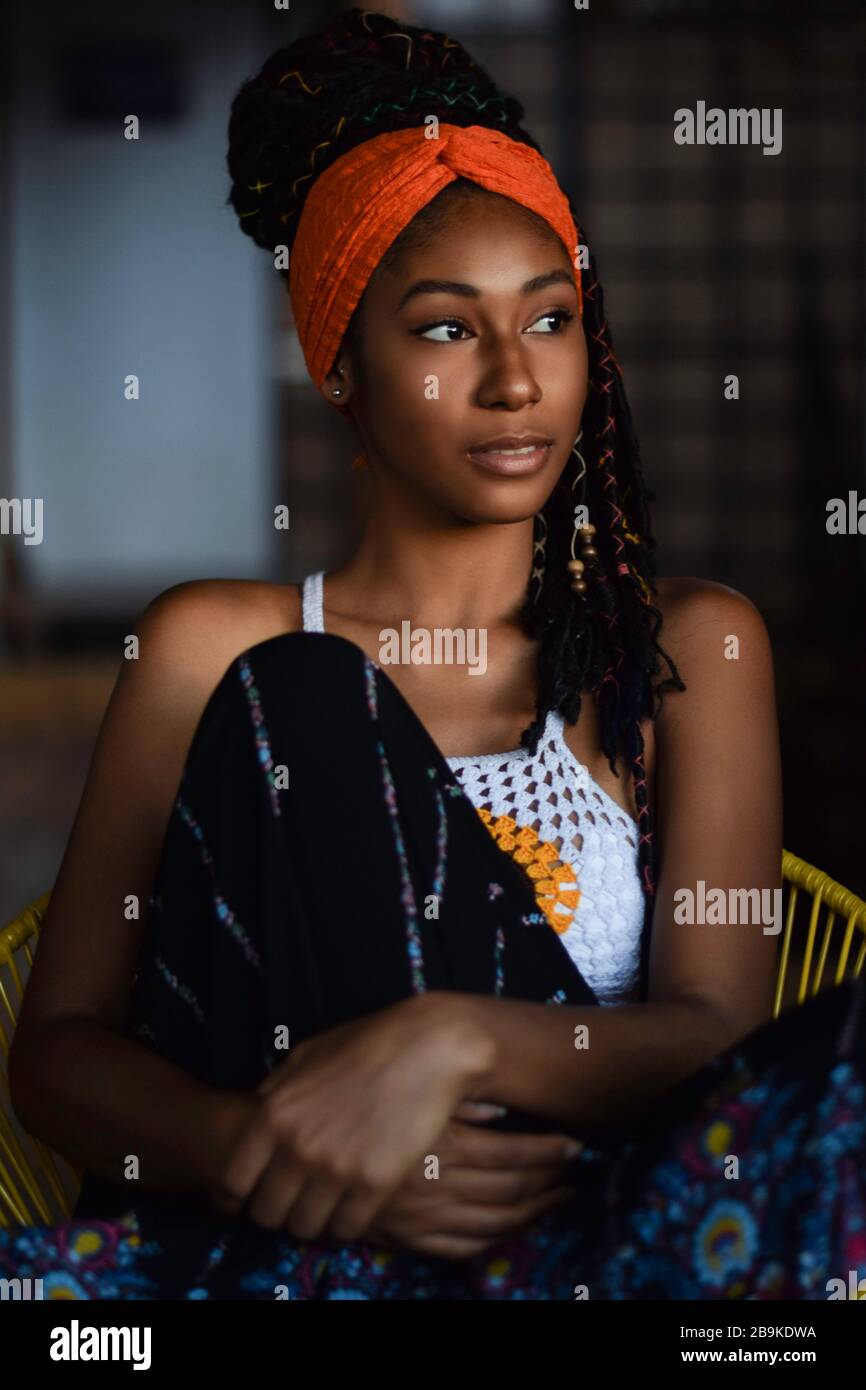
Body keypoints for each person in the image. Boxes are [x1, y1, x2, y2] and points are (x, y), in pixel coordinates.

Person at [3, 8, 864, 1300]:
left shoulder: (690, 647)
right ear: (339, 365)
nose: (517, 382)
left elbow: (715, 1033)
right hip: (302, 1237)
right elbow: (57, 1054)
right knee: (303, 695)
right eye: (448, 330)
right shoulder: (220, 647)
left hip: (600, 1230)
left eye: (553, 318)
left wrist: (445, 1042)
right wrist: (251, 1144)